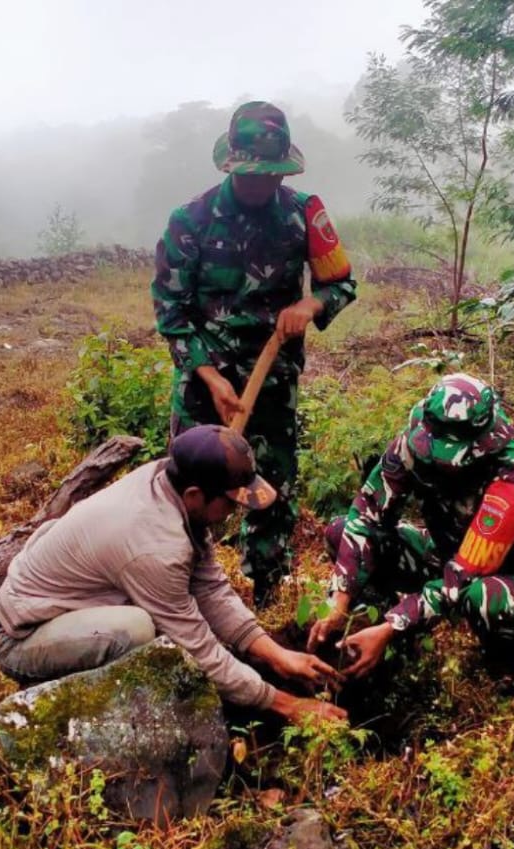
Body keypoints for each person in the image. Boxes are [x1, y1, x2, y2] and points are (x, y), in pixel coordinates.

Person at [0, 424, 346, 726]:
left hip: (70, 611)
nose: (235, 511)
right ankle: (57, 701)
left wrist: (275, 655)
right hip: (22, 637)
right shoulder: (154, 545)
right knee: (138, 630)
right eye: (231, 502)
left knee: (156, 630)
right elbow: (197, 649)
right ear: (195, 495)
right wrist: (286, 704)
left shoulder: (169, 483)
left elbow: (212, 589)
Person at [152, 100, 358, 605]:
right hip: (206, 385)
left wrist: (310, 304)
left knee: (273, 489)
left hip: (273, 381)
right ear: (231, 165)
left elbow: (343, 284)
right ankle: (179, 588)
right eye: (252, 174)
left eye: (271, 174)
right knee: (189, 490)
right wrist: (212, 379)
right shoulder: (190, 222)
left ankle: (265, 590)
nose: (261, 184)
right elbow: (171, 314)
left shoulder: (303, 213)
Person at [306, 374, 514, 679]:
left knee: (486, 598)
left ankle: (506, 668)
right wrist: (340, 598)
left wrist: (394, 625)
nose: (447, 465)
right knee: (341, 534)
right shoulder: (411, 445)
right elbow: (367, 517)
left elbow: (465, 574)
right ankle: (378, 640)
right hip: (447, 552)